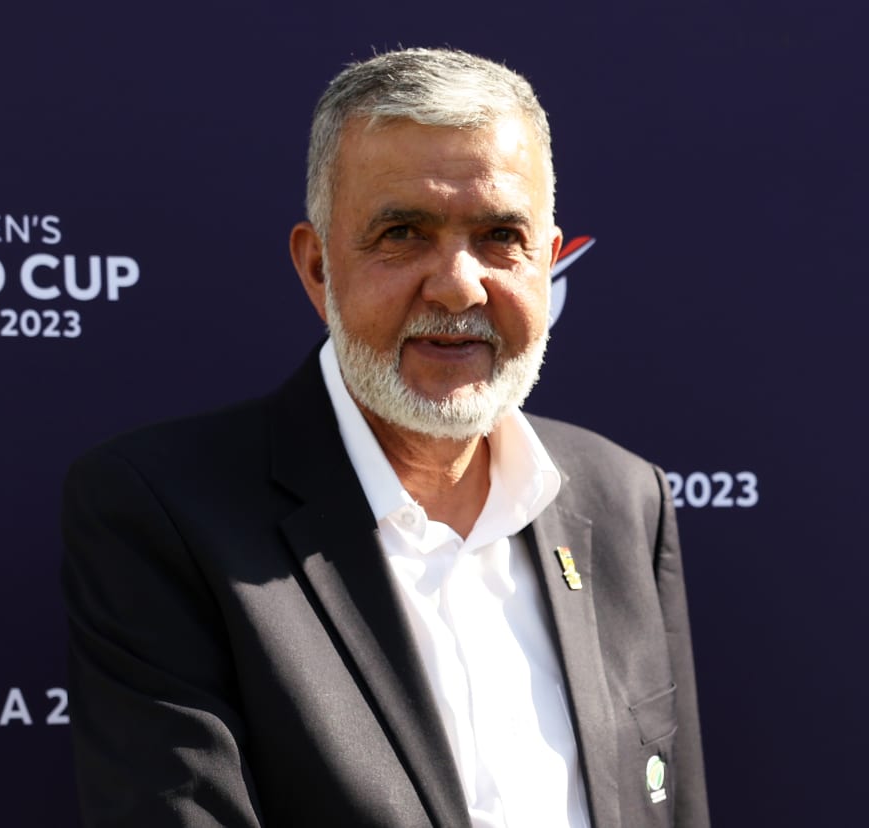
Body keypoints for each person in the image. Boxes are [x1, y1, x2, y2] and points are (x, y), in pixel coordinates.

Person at [60, 48, 707, 828]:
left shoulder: (624, 497)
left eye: (502, 234)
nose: (460, 284)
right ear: (317, 267)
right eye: (403, 232)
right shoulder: (165, 517)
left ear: (548, 260)